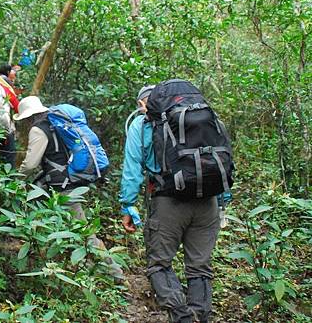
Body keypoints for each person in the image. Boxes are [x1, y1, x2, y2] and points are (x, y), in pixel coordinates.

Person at [119, 84, 227, 323]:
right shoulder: (205, 118)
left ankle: (182, 318)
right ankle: (200, 316)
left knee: (159, 264)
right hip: (208, 202)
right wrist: (221, 202)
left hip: (169, 202)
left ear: (144, 103)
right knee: (200, 267)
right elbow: (220, 160)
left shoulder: (143, 124)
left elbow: (132, 169)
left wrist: (128, 205)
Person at [13, 96, 123, 277]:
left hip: (62, 186)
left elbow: (31, 164)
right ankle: (56, 265)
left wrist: (16, 179)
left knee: (84, 233)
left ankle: (114, 274)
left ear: (28, 116)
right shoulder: (57, 124)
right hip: (67, 181)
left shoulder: (38, 129)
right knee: (55, 223)